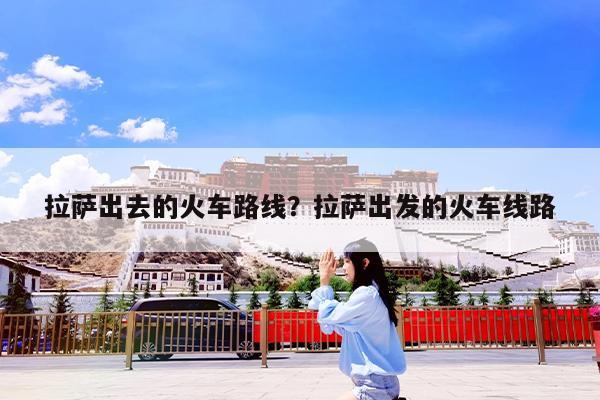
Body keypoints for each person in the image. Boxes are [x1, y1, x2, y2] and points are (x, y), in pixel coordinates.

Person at [308, 238, 407, 400]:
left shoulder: (366, 295)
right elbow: (331, 323)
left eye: (347, 261)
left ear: (364, 263)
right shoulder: (373, 293)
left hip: (374, 384)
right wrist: (328, 312)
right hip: (377, 382)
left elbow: (328, 317)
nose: (343, 267)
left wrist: (324, 281)